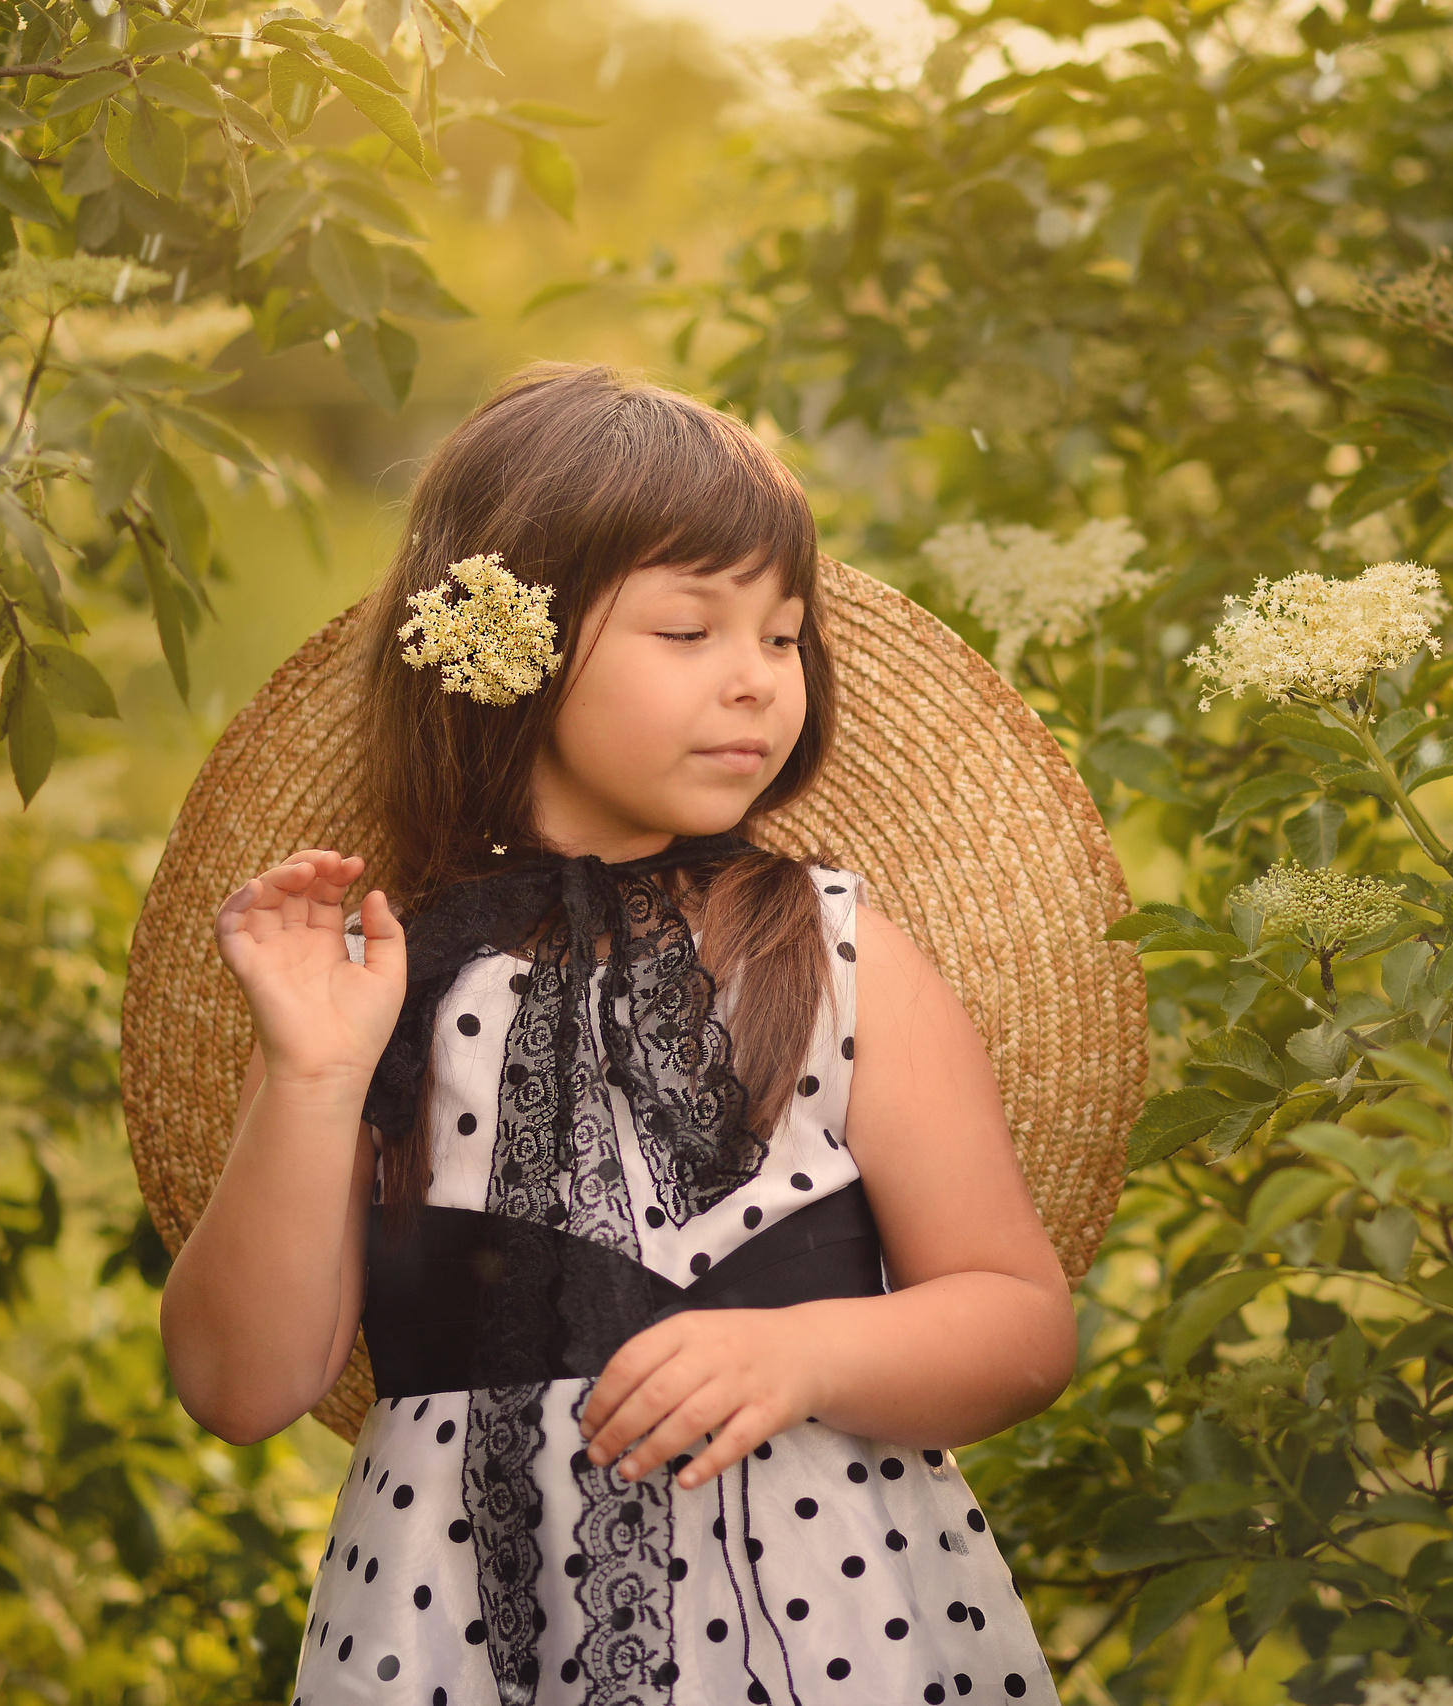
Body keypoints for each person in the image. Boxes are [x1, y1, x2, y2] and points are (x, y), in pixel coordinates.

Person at [157, 365, 1077, 1706]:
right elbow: (240, 1385)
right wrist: (311, 1070)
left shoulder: (833, 951)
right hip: (459, 1640)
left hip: (830, 1632)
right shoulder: (379, 981)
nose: (758, 682)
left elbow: (1020, 1322)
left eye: (783, 635)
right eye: (689, 632)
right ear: (512, 652)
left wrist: (807, 1351)